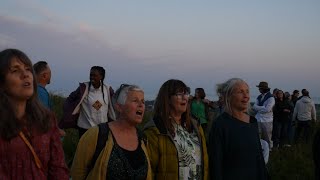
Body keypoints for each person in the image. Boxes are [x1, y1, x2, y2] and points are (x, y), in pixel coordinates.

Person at [0, 49, 69, 179]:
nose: (25, 74)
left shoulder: (47, 120)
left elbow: (58, 168)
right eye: (15, 70)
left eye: (28, 69)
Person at [71, 84, 151, 180]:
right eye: (135, 101)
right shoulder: (97, 134)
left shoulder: (143, 139)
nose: (141, 105)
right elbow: (78, 173)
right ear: (119, 107)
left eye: (143, 101)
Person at [144, 79, 209, 180]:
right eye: (179, 94)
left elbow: (204, 162)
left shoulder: (195, 126)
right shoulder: (155, 130)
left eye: (186, 93)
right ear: (167, 99)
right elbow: (149, 171)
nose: (185, 98)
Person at [208, 78, 268, 180]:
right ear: (228, 96)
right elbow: (215, 163)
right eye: (240, 92)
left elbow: (259, 159)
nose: (246, 96)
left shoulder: (252, 122)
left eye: (247, 92)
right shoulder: (220, 125)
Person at [60, 66, 116, 138]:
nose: (92, 77)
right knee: (85, 149)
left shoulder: (107, 89)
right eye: (90, 75)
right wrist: (69, 111)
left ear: (101, 77)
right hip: (85, 128)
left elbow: (115, 103)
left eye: (94, 75)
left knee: (101, 149)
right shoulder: (83, 88)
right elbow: (70, 99)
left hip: (102, 129)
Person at [253, 81, 275, 150]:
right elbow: (254, 107)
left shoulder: (271, 98)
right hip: (258, 119)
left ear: (263, 88)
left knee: (267, 137)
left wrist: (259, 108)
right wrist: (263, 107)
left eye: (260, 88)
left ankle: (269, 150)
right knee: (257, 136)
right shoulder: (259, 97)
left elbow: (267, 110)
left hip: (267, 120)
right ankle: (258, 149)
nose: (259, 89)